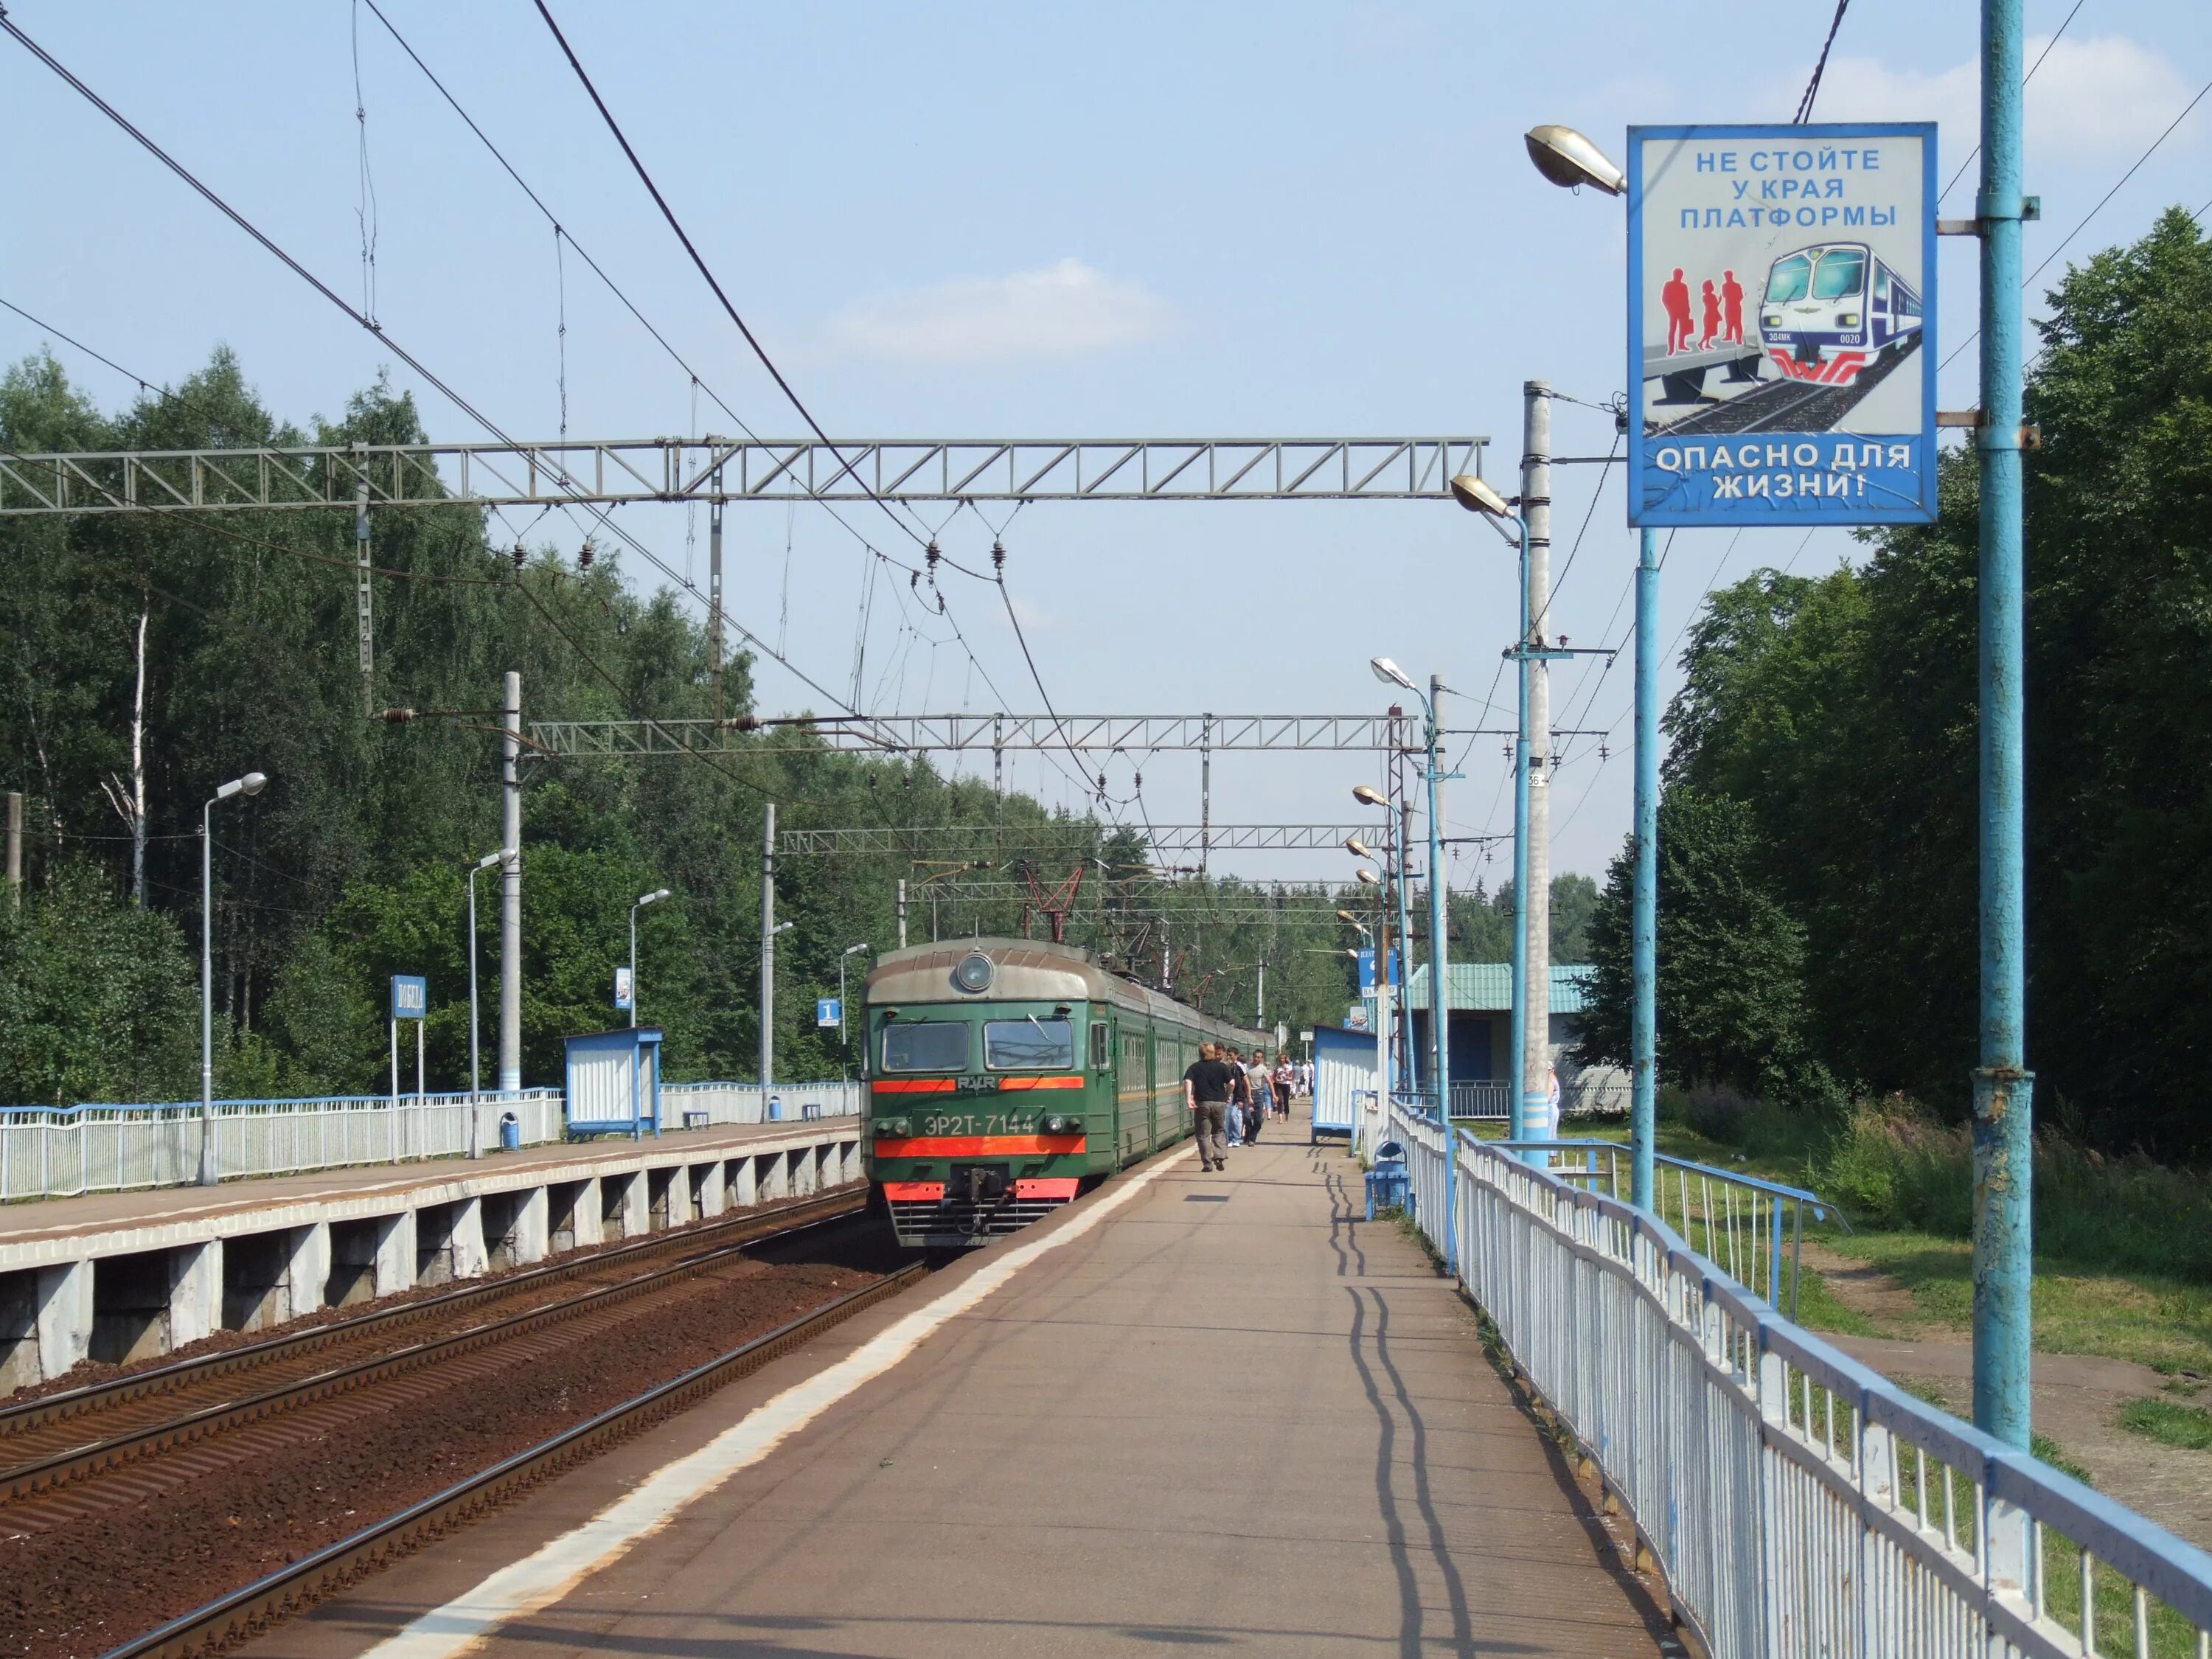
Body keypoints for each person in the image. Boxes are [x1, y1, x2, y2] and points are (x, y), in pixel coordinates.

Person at [1182, 1042, 1234, 1172]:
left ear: (1200, 1053)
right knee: (1219, 1131)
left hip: (1203, 1103)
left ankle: (1207, 1163)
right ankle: (1219, 1157)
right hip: (1219, 1103)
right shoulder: (1221, 1067)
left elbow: (1188, 1081)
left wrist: (1189, 1099)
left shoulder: (1195, 1067)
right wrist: (1227, 1095)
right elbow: (1232, 1083)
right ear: (1213, 1052)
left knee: (1203, 1134)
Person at [1662, 267, 1693, 355]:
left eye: (1680, 275)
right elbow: (1665, 299)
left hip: (1683, 311)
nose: (1679, 276)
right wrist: (1670, 309)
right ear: (1674, 275)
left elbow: (1686, 299)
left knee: (1683, 329)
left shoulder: (1684, 286)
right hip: (1674, 311)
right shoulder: (1669, 284)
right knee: (1673, 329)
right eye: (1677, 274)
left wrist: (1688, 309)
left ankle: (1682, 345)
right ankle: (1671, 349)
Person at [1245, 1048, 1271, 1142]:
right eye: (1255, 1057)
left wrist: (1274, 1095)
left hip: (1259, 1093)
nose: (1256, 1059)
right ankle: (1249, 1134)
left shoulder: (1263, 1069)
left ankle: (1252, 1138)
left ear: (1262, 1059)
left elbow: (1269, 1082)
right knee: (1247, 1117)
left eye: (1259, 1058)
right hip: (1247, 1094)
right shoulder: (1246, 1067)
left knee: (1258, 1121)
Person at [1225, 1052, 1251, 1147]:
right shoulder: (1226, 1067)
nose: (1229, 1057)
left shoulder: (1238, 1067)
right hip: (1227, 1096)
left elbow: (1241, 1084)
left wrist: (1242, 1098)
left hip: (1235, 1096)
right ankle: (1228, 1139)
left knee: (1234, 1117)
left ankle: (1235, 1138)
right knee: (1227, 1119)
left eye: (1231, 1055)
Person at [1721, 268, 1745, 345]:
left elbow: (1741, 296)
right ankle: (1729, 336)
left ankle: (1739, 339)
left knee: (1737, 323)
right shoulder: (1725, 286)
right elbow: (1725, 295)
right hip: (1730, 306)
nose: (1727, 277)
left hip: (1734, 306)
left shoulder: (1734, 285)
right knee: (1729, 323)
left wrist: (1734, 299)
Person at [1698, 279, 1721, 352]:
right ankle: (1701, 343)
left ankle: (1707, 344)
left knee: (1711, 331)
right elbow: (1712, 306)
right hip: (1709, 315)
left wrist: (1719, 301)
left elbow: (1715, 306)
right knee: (1708, 332)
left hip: (1713, 315)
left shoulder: (1713, 296)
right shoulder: (1705, 297)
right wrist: (1719, 302)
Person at [1272, 1054, 1295, 1119]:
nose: (1281, 1060)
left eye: (1282, 1058)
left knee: (1286, 1101)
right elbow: (1274, 1076)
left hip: (1286, 1084)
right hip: (1278, 1084)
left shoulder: (1290, 1067)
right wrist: (1274, 1080)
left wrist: (1288, 1078)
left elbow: (1292, 1077)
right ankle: (1280, 1118)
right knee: (1279, 1100)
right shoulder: (1277, 1067)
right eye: (1280, 1058)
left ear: (1285, 1059)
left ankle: (1286, 1116)